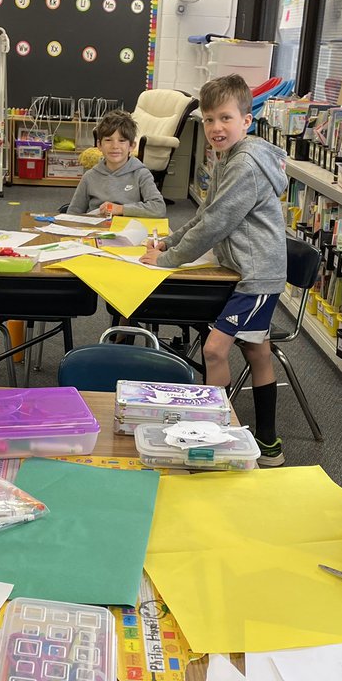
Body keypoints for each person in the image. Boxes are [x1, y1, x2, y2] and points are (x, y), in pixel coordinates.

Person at [140, 75, 288, 467]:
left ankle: (213, 439)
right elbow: (206, 213)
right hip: (243, 271)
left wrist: (169, 260)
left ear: (246, 121)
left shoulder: (245, 165)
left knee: (214, 349)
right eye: (208, 120)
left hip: (257, 277)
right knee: (257, 351)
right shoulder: (227, 158)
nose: (215, 127)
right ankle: (269, 444)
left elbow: (215, 224)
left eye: (225, 118)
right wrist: (169, 243)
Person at [66, 110, 166, 219]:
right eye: (108, 140)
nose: (115, 146)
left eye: (122, 140)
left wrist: (121, 209)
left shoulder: (141, 174)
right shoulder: (89, 177)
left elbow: (159, 208)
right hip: (95, 228)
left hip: (128, 228)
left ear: (132, 146)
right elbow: (73, 213)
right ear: (99, 145)